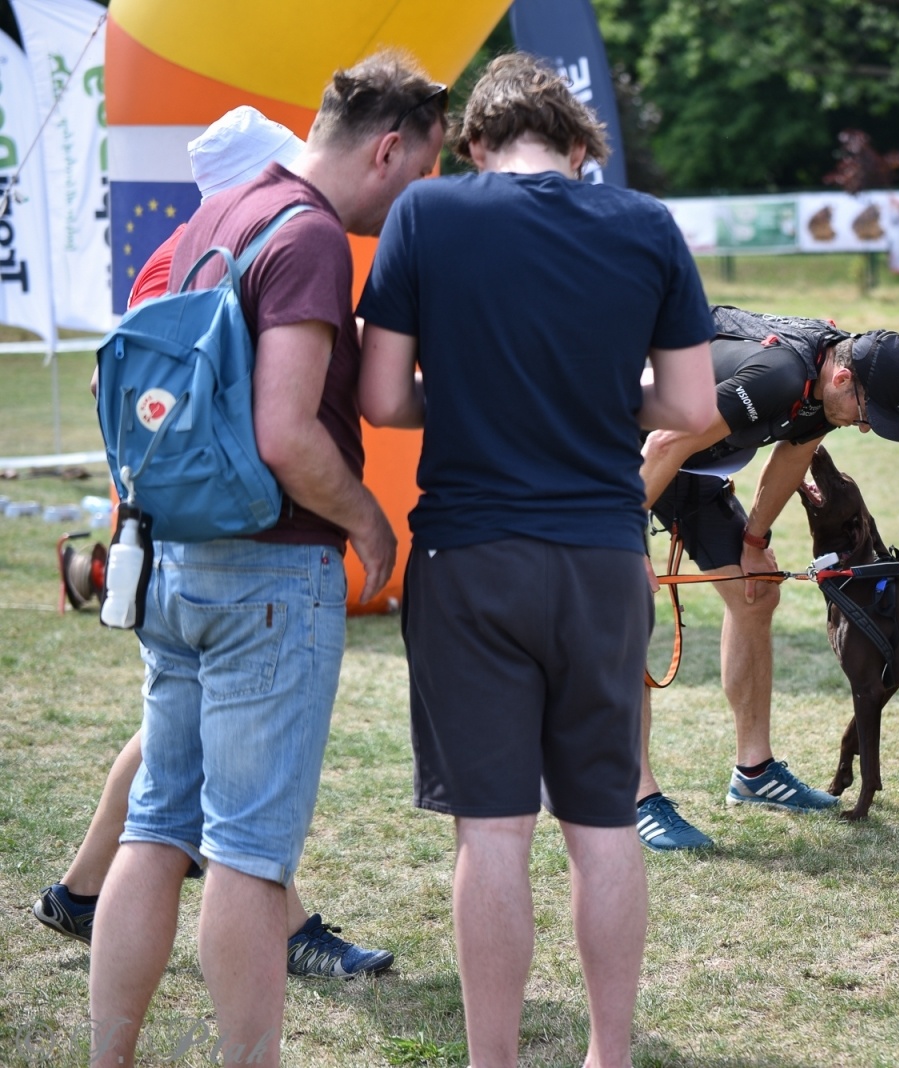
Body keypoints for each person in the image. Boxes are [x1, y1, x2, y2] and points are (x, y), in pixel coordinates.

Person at [357, 54, 716, 1068]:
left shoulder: (427, 216)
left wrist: (473, 398)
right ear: (577, 148)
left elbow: (383, 399)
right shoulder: (646, 225)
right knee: (603, 821)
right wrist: (601, 400)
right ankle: (610, 1052)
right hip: (602, 556)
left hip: (470, 556)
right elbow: (690, 409)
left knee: (494, 830)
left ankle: (495, 1061)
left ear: (476, 142)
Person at [87, 55, 446, 1068]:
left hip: (181, 558)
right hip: (272, 573)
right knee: (247, 852)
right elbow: (288, 433)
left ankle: (106, 1056)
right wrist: (373, 525)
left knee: (157, 828)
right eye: (417, 170)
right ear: (388, 147)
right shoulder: (313, 235)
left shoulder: (221, 214)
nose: (411, 195)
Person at [36, 106, 392, 981]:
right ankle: (279, 925)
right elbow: (280, 427)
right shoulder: (278, 242)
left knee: (172, 783)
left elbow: (110, 378)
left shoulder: (185, 250)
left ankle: (83, 893)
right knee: (238, 821)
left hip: (172, 528)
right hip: (244, 537)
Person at [634, 305, 899, 852]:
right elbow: (665, 441)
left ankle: (755, 771)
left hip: (688, 462)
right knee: (620, 609)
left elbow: (793, 456)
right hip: (626, 450)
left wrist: (755, 541)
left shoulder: (825, 386)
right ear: (843, 378)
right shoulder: (781, 376)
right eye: (866, 412)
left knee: (755, 593)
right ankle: (636, 796)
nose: (863, 425)